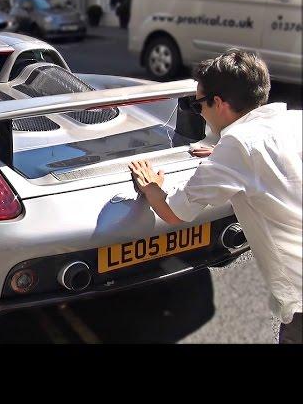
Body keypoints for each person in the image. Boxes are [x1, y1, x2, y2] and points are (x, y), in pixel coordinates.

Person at [128, 49, 302, 344]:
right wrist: (224, 157)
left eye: (198, 105)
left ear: (218, 103)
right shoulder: (293, 121)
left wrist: (151, 186)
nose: (200, 112)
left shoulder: (238, 145)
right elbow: (275, 164)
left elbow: (174, 212)